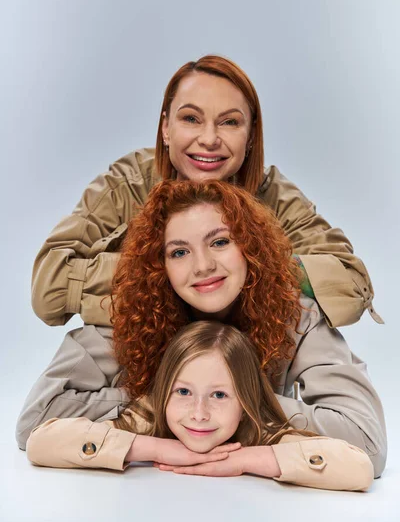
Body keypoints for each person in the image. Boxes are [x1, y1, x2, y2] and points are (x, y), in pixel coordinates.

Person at [17, 180, 386, 479]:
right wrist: (156, 409)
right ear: (159, 265)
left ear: (250, 248)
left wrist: (248, 409)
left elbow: (368, 444)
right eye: (179, 252)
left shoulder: (297, 316)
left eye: (220, 242)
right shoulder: (130, 312)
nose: (203, 266)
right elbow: (35, 422)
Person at [31, 55, 382, 331]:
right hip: (145, 353)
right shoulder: (130, 182)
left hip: (245, 365)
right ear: (166, 127)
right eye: (191, 119)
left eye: (230, 122)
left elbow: (349, 284)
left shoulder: (273, 193)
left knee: (315, 329)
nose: (210, 139)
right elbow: (50, 286)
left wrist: (247, 266)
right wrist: (167, 273)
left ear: (250, 135)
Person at [26, 320, 374, 492]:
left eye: (220, 395)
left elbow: (359, 469)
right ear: (163, 391)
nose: (199, 413)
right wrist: (152, 447)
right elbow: (40, 442)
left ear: (246, 398)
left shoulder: (261, 433)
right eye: (183, 392)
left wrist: (243, 460)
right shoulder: (146, 419)